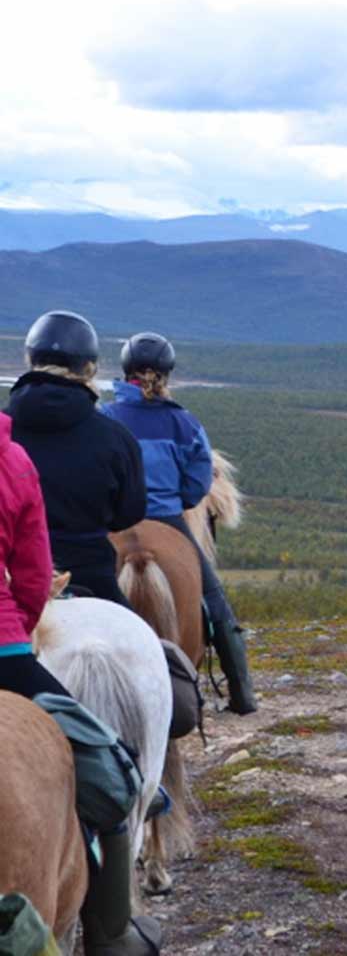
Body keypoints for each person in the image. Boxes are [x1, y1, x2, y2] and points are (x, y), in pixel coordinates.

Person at [0, 408, 162, 956]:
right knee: (109, 766)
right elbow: (31, 575)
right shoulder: (12, 460)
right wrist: (18, 634)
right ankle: (113, 934)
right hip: (3, 647)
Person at [104, 332, 257, 716]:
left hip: (115, 521)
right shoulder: (185, 424)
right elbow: (197, 483)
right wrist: (178, 502)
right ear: (166, 374)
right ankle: (242, 693)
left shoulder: (105, 418)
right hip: (171, 519)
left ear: (126, 373)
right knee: (215, 602)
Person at [6, 311, 146, 607]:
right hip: (92, 574)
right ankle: (227, 643)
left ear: (30, 359)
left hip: (10, 578)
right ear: (89, 368)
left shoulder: (3, 430)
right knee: (153, 647)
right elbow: (130, 512)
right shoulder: (116, 438)